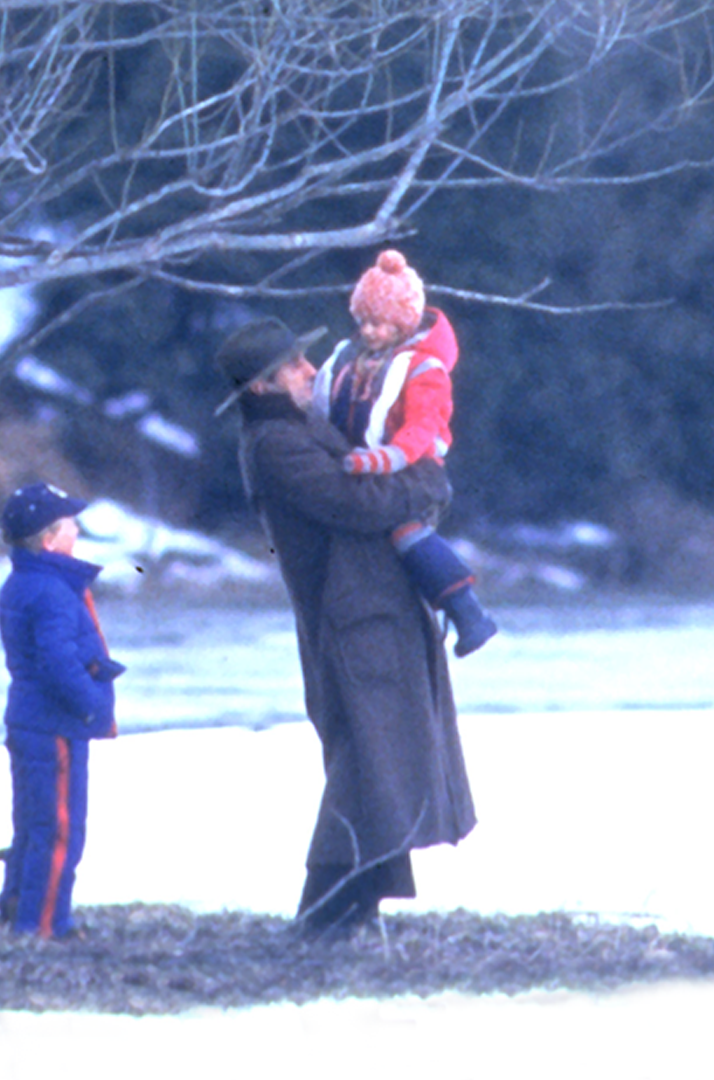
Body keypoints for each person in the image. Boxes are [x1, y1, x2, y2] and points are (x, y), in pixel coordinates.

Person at [214, 318, 476, 939]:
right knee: (367, 769)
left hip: (369, 615)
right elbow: (358, 503)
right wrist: (429, 475)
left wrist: (407, 472)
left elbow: (377, 488)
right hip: (350, 624)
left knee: (378, 766)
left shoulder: (300, 426)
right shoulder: (275, 443)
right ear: (261, 387)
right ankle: (323, 917)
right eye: (294, 365)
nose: (311, 371)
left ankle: (350, 910)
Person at [312, 249, 497, 656]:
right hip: (370, 467)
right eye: (364, 322)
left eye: (378, 323)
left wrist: (384, 459)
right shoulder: (353, 361)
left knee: (407, 534)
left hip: (412, 468)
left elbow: (421, 429)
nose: (370, 332)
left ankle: (467, 612)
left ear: (401, 322)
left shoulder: (423, 371)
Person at [0, 482, 123, 940]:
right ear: (49, 540)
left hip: (31, 721)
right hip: (54, 726)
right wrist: (92, 707)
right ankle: (43, 926)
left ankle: (17, 906)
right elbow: (56, 663)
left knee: (32, 823)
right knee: (59, 830)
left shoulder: (28, 581)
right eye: (71, 526)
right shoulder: (51, 590)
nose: (78, 531)